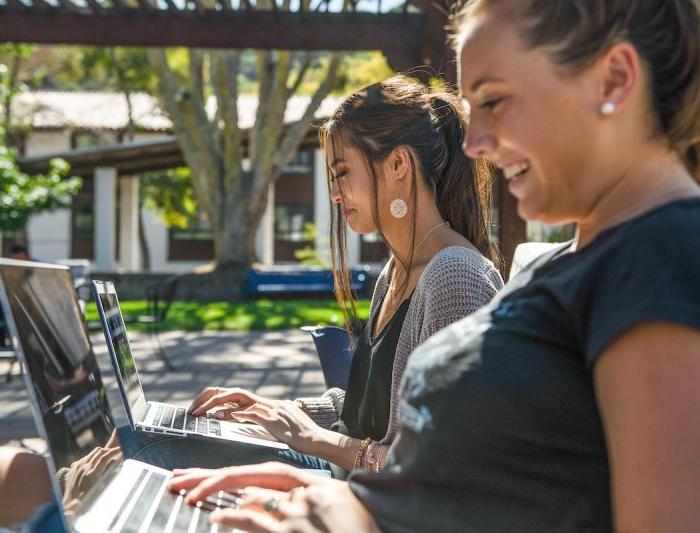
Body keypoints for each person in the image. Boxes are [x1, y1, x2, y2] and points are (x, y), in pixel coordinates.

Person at [168, 0, 700, 531]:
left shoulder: (658, 261)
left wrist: (350, 513)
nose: (475, 143)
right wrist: (324, 490)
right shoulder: (579, 263)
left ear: (614, 80)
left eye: (495, 100)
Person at [118, 75, 503, 475]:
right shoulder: (398, 270)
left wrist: (310, 437)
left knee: (142, 450)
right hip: (340, 480)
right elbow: (365, 407)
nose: (335, 194)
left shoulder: (456, 277)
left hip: (365, 505)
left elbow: (447, 469)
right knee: (144, 434)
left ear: (398, 165)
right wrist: (281, 412)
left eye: (342, 173)